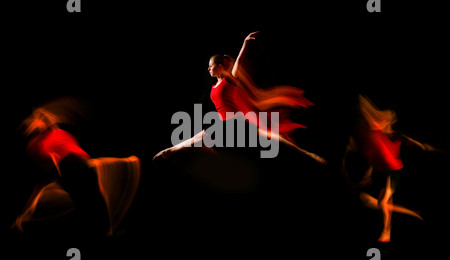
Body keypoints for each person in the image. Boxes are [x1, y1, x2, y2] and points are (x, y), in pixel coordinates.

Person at [153, 32, 326, 164]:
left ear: (220, 66)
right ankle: (172, 151)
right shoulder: (214, 86)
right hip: (225, 125)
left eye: (210, 66)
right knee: (199, 140)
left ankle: (307, 156)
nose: (208, 69)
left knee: (202, 139)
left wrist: (245, 43)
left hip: (235, 123)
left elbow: (239, 63)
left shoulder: (229, 79)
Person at [13, 101, 141, 236]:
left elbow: (47, 177)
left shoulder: (56, 136)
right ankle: (103, 231)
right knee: (92, 202)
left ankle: (104, 230)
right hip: (72, 168)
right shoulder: (42, 144)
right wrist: (26, 213)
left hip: (76, 168)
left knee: (93, 201)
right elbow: (45, 177)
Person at [342, 95, 437, 242]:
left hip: (394, 171)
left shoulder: (393, 135)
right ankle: (395, 225)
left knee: (383, 202)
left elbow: (410, 142)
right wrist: (368, 175)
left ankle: (387, 233)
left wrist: (423, 146)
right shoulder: (375, 138)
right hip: (383, 171)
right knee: (384, 203)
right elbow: (373, 158)